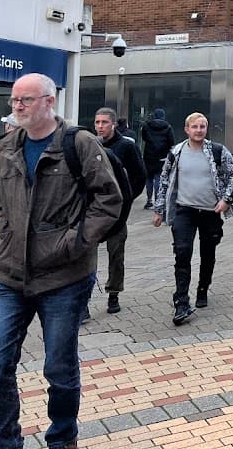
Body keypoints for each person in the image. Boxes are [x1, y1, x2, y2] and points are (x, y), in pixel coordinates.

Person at [0, 73, 122, 449]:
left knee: (58, 369)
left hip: (63, 277)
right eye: (14, 101)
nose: (18, 107)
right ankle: (3, 443)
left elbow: (108, 199)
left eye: (25, 100)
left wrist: (75, 242)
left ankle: (62, 437)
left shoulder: (79, 143)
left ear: (48, 101)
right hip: (7, 275)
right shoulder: (5, 147)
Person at [153, 112, 233, 325]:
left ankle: (203, 288)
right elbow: (164, 180)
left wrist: (227, 199)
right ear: (187, 129)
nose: (199, 130)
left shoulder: (218, 151)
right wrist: (159, 210)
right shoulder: (177, 152)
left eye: (202, 126)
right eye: (195, 127)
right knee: (182, 253)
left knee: (208, 252)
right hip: (185, 211)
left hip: (210, 211)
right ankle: (181, 302)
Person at [94, 107, 147, 316]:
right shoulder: (90, 144)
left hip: (117, 212)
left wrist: (126, 198)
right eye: (97, 122)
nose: (100, 126)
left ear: (113, 124)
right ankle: (84, 298)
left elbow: (139, 175)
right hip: (93, 210)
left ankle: (113, 293)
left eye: (104, 122)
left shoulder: (126, 146)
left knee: (115, 253)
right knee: (86, 255)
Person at [141, 108, 174, 210]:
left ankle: (149, 200)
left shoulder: (147, 126)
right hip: (162, 156)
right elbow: (171, 142)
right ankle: (157, 201)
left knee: (149, 178)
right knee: (158, 178)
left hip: (148, 155)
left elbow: (144, 138)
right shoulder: (168, 127)